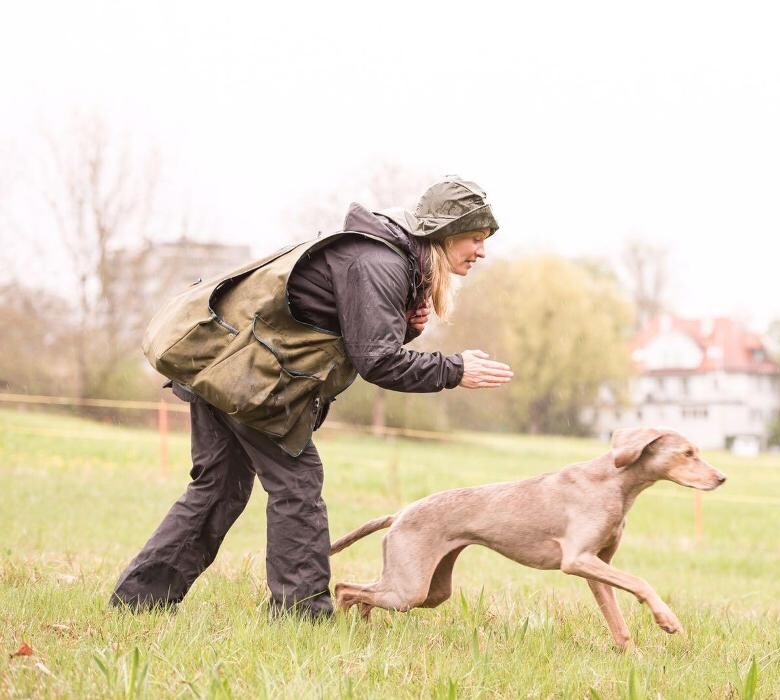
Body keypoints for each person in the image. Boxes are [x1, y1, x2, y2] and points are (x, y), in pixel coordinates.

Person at [110, 176, 513, 618]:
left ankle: (137, 602)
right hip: (246, 379)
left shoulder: (384, 257)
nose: (481, 251)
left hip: (229, 370)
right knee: (296, 488)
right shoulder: (378, 262)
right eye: (475, 238)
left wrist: (409, 327)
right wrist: (454, 369)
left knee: (218, 488)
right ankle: (301, 612)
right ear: (443, 232)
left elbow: (348, 334)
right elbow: (377, 361)